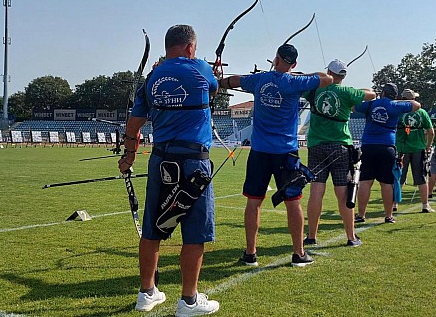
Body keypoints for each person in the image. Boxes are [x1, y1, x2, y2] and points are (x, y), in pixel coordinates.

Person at [119, 25, 219, 315]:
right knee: (195, 232)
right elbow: (213, 87)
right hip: (193, 162)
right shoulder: (199, 67)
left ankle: (146, 293)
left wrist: (128, 156)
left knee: (152, 228)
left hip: (160, 160)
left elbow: (134, 125)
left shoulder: (152, 78)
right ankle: (189, 300)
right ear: (190, 47)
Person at [218, 44, 333, 267]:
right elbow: (326, 78)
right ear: (294, 64)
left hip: (260, 151)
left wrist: (218, 82)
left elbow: (233, 81)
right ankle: (298, 253)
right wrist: (295, 74)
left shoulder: (259, 79)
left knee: (254, 202)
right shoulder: (295, 82)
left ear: (275, 59)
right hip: (285, 154)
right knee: (293, 202)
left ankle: (250, 253)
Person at [303, 59, 376, 247]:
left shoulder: (314, 89)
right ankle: (351, 237)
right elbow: (371, 94)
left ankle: (311, 236)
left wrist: (317, 75)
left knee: (316, 191)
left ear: (329, 72)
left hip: (317, 146)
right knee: (343, 192)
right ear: (343, 76)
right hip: (339, 147)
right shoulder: (346, 92)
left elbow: (299, 81)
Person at [354, 83, 420, 223]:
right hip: (387, 146)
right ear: (395, 95)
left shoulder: (372, 104)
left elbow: (354, 104)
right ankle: (388, 216)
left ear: (382, 92)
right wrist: (397, 101)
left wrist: (370, 93)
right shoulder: (395, 105)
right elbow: (416, 105)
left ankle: (361, 215)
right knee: (386, 183)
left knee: (365, 182)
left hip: (369, 145)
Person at [394, 89, 435, 214]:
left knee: (398, 176)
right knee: (421, 177)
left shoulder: (398, 112)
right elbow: (431, 132)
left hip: (401, 148)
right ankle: (425, 205)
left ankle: (394, 204)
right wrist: (428, 145)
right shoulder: (421, 112)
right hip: (418, 148)